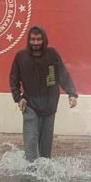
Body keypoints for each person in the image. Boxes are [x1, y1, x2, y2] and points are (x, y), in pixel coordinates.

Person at [9, 26, 78, 163]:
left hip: (50, 105)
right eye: (33, 39)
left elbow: (62, 74)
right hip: (30, 104)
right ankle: (31, 170)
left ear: (44, 39)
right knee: (31, 139)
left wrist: (72, 93)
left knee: (46, 145)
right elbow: (14, 79)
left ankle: (44, 171)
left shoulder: (52, 54)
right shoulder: (21, 57)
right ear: (29, 40)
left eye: (39, 39)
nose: (36, 43)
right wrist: (18, 97)